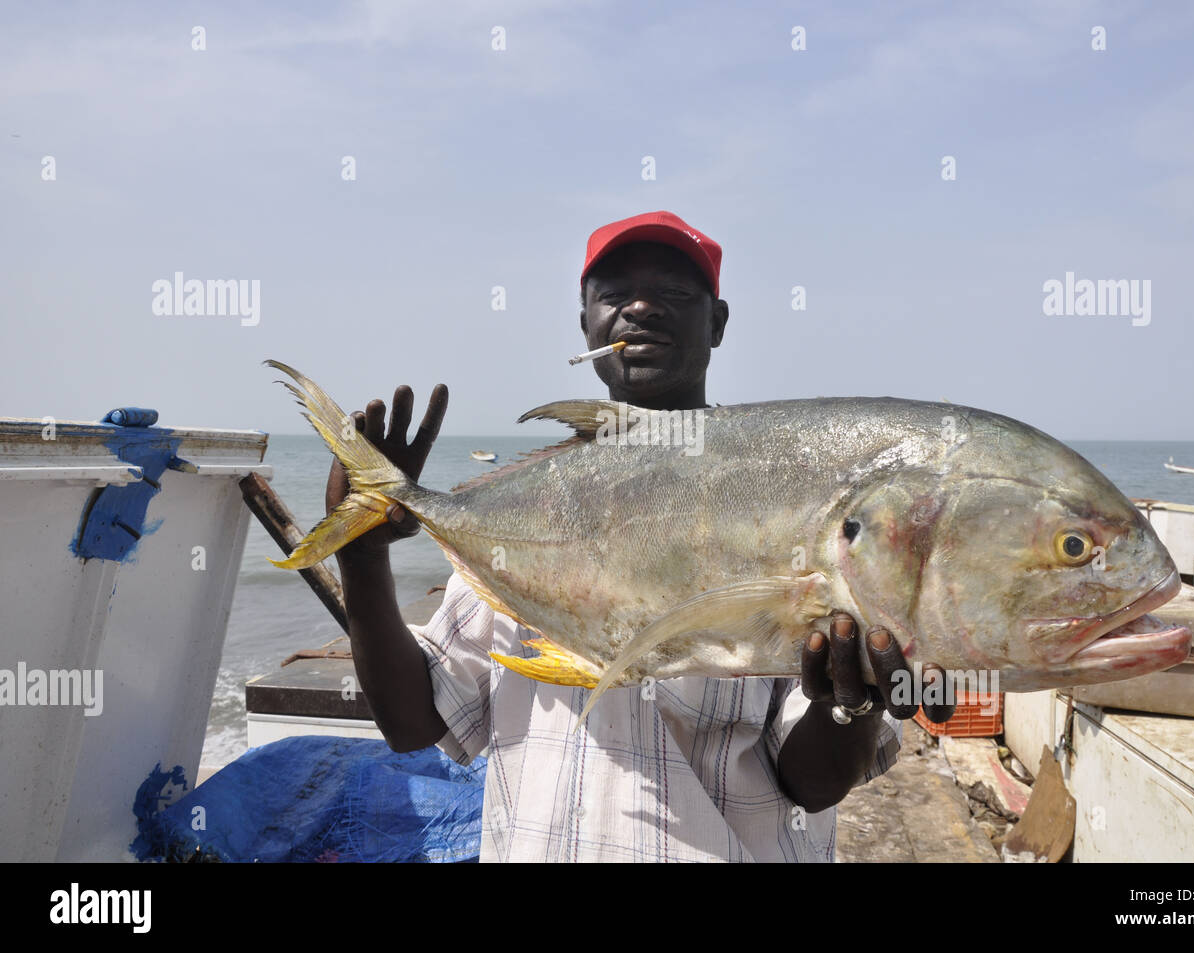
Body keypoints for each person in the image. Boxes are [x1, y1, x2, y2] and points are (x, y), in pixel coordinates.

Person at [327, 211, 952, 862]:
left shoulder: (782, 495)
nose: (642, 308)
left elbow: (810, 784)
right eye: (615, 294)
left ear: (717, 322)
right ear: (586, 323)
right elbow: (414, 719)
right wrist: (361, 555)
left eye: (676, 294)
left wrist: (850, 705)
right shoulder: (538, 506)